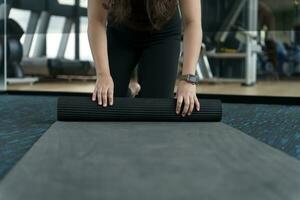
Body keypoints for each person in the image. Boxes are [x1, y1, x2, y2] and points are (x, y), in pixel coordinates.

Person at [87, 0, 202, 117]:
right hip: (120, 30)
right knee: (107, 102)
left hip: (162, 34)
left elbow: (192, 23)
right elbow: (96, 21)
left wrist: (188, 80)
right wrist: (103, 74)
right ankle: (130, 91)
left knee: (155, 110)